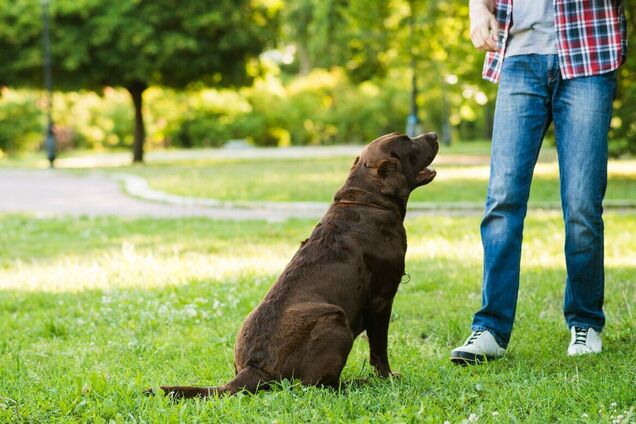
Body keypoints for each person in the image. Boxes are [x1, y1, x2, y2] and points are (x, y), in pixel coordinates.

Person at [451, 0, 628, 364]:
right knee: (502, 200)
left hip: (588, 53)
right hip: (518, 54)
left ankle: (585, 321)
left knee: (582, 203)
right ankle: (491, 329)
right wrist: (477, 8)